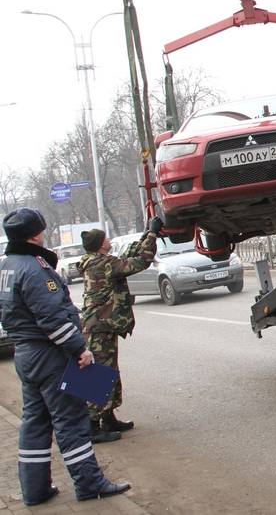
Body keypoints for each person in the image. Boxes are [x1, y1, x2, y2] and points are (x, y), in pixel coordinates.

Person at [0, 208, 132, 505]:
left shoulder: (6, 265)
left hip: (26, 354)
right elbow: (53, 318)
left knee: (35, 423)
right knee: (72, 420)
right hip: (51, 356)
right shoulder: (35, 268)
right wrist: (79, 349)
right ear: (36, 234)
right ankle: (90, 484)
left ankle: (34, 490)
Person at [79, 219, 160, 442]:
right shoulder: (103, 264)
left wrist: (145, 234)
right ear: (99, 245)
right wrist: (152, 237)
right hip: (99, 326)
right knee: (98, 374)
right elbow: (140, 261)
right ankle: (92, 426)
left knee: (109, 371)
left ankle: (108, 418)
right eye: (105, 238)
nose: (109, 240)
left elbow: (126, 258)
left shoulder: (97, 261)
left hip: (102, 325)